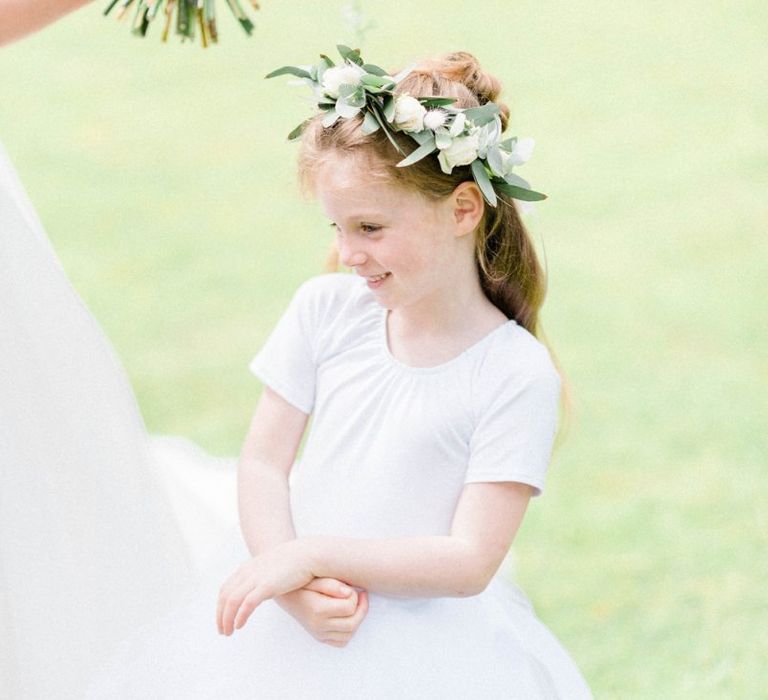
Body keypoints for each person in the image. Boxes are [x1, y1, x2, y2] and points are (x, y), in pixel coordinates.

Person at [81, 48, 594, 698]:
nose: (347, 252)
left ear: (465, 209)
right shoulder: (324, 311)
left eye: (371, 227)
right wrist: (284, 574)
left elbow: (469, 561)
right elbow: (264, 462)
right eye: (338, 226)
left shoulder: (513, 373)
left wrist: (312, 555)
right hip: (294, 625)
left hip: (427, 654)